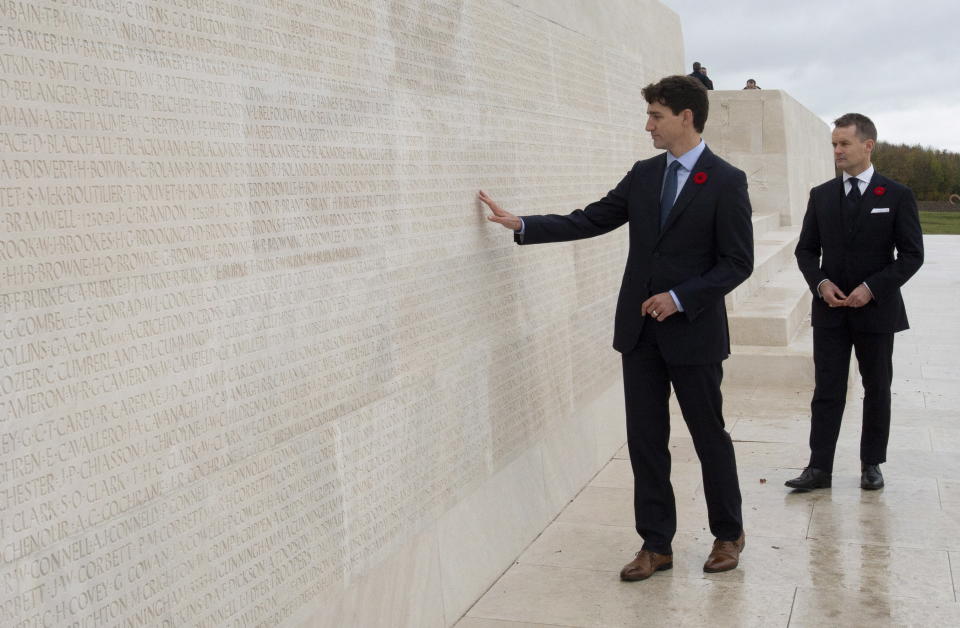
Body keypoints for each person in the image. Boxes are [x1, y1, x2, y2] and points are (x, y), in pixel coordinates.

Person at [479, 75, 753, 580]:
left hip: (693, 333)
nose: (647, 125)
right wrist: (524, 225)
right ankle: (656, 544)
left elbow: (737, 263)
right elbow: (593, 218)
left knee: (708, 435)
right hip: (639, 336)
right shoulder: (644, 174)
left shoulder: (726, 180)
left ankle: (727, 534)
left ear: (686, 117)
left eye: (656, 115)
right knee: (646, 440)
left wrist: (679, 298)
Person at [786, 113, 923, 491]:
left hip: (876, 312)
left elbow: (912, 255)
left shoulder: (896, 195)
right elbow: (806, 251)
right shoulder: (822, 195)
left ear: (867, 145)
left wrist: (872, 288)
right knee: (826, 389)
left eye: (844, 143)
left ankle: (871, 463)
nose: (837, 151)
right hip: (830, 311)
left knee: (877, 387)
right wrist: (821, 283)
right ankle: (819, 468)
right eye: (834, 144)